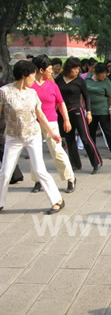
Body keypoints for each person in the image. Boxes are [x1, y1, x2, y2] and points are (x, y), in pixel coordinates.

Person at [0, 60, 65, 214]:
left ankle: (57, 200)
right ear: (24, 75)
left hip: (33, 135)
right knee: (5, 171)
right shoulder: (4, 92)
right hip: (13, 137)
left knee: (39, 169)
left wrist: (52, 132)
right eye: (32, 76)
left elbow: (40, 115)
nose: (34, 79)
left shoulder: (32, 93)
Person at [30, 54, 76, 194]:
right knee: (34, 152)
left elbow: (61, 103)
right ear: (41, 70)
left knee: (56, 150)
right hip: (33, 123)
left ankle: (70, 178)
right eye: (49, 69)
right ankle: (38, 180)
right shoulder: (29, 85)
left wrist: (66, 120)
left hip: (51, 121)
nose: (52, 71)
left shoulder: (52, 85)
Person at [56, 57, 103, 174]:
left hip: (77, 110)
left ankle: (96, 162)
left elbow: (87, 97)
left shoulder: (79, 81)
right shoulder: (59, 79)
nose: (77, 71)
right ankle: (75, 164)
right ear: (68, 68)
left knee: (85, 137)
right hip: (63, 113)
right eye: (74, 69)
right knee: (69, 138)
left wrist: (89, 112)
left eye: (78, 69)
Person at [86, 63, 111, 159]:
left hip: (103, 110)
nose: (104, 76)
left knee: (107, 131)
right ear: (96, 73)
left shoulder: (106, 81)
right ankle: (92, 151)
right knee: (91, 131)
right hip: (90, 110)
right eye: (102, 74)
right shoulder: (88, 79)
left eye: (105, 73)